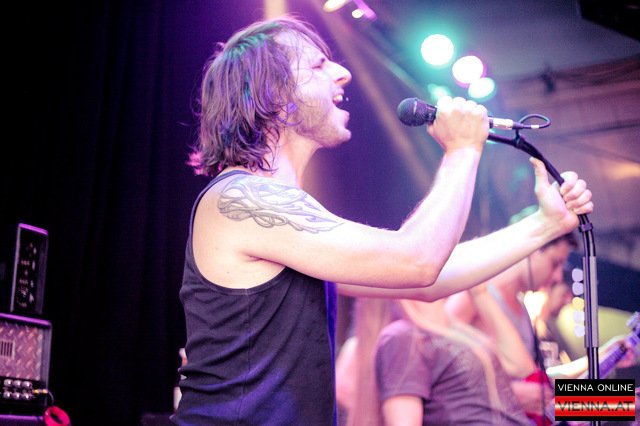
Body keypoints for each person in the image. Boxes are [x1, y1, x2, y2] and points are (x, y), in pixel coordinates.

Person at [173, 15, 593, 425]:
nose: (342, 73)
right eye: (318, 65)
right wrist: (463, 150)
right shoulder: (239, 198)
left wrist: (546, 225)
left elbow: (430, 279)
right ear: (274, 92)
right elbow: (416, 260)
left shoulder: (286, 214)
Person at [342, 283, 539, 426]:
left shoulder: (451, 327)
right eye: (553, 263)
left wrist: (480, 292)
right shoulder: (403, 336)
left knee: (558, 391)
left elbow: (522, 367)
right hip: (544, 413)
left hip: (547, 412)